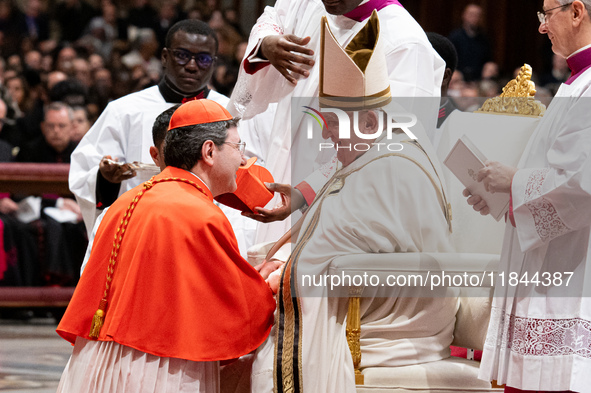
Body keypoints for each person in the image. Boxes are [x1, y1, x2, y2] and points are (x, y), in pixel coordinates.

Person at [250, 15, 457, 393]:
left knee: (260, 341)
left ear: (365, 120)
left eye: (331, 123)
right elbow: (332, 233)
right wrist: (270, 256)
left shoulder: (389, 169)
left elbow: (343, 246)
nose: (325, 134)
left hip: (398, 318)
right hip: (377, 294)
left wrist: (281, 273)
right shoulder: (377, 149)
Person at [56, 99, 276, 392]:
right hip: (160, 367)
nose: (243, 160)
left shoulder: (126, 201)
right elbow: (229, 306)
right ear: (209, 151)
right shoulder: (198, 212)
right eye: (238, 147)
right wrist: (270, 285)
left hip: (95, 362)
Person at [229, 0, 445, 244]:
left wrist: (306, 192)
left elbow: (392, 148)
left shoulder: (406, 44)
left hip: (341, 204)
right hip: (285, 162)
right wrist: (265, 46)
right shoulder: (308, 3)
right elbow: (273, 19)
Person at [466, 1, 591, 392]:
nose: (541, 27)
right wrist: (503, 196)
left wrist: (515, 181)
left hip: (567, 275)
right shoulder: (576, 81)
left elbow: (581, 183)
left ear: (576, 11)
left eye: (546, 15)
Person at [69, 19, 228, 238]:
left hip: (208, 232)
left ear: (213, 62)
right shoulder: (123, 111)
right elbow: (84, 173)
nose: (192, 66)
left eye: (203, 59)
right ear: (164, 56)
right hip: (141, 231)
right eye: (182, 55)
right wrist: (106, 180)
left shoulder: (231, 114)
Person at [448, 4, 492, 82]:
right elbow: (449, 61)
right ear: (464, 16)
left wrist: (489, 68)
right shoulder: (454, 37)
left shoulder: (484, 39)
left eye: (478, 15)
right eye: (471, 15)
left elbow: (488, 61)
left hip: (478, 79)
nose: (474, 18)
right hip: (458, 79)